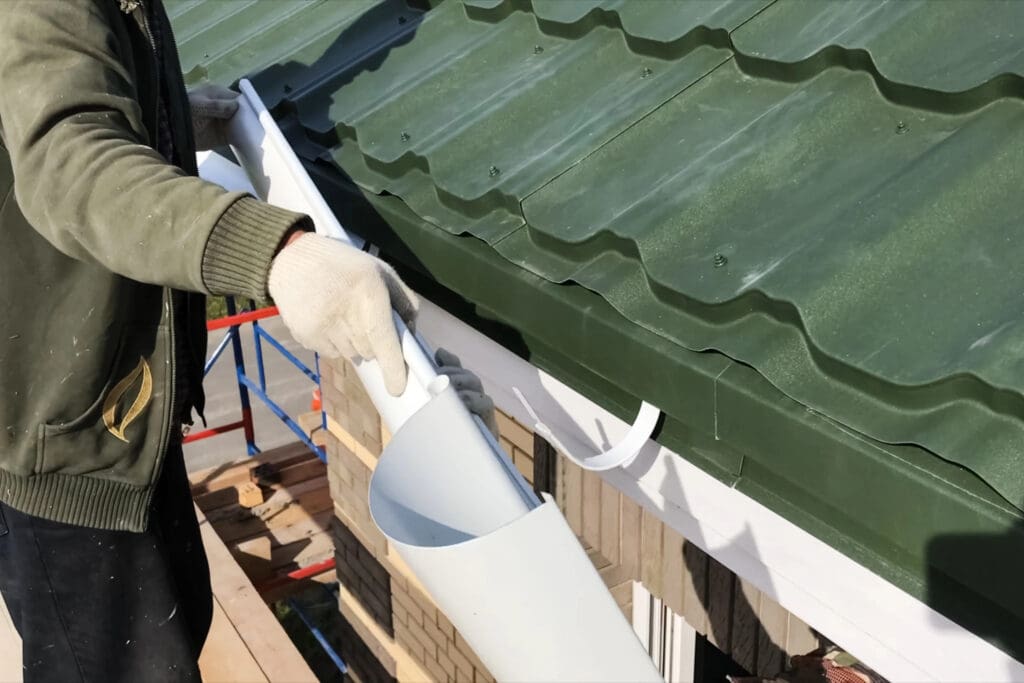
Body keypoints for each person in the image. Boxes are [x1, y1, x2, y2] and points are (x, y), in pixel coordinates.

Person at [0, 1, 495, 680]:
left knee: (181, 624)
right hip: (74, 445)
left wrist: (162, 113)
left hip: (111, 415)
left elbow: (66, 83)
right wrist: (278, 256)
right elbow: (67, 161)